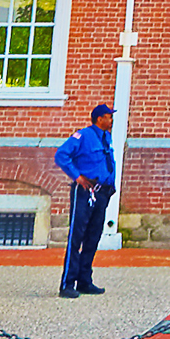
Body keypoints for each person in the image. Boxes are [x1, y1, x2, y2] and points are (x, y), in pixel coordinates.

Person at [53, 101, 116, 295]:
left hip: (102, 192)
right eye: (109, 116)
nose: (111, 120)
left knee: (93, 237)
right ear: (100, 119)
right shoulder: (83, 136)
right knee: (77, 236)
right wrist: (77, 176)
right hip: (85, 192)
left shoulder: (106, 137)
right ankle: (67, 284)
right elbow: (61, 155)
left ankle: (84, 280)